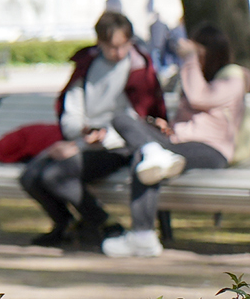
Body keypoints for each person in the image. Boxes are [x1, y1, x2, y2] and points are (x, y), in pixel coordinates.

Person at [18, 10, 182, 252]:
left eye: (123, 45)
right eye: (111, 46)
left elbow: (140, 120)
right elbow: (72, 108)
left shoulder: (139, 69)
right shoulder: (88, 65)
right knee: (30, 176)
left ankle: (105, 224)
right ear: (100, 43)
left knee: (53, 175)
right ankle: (66, 224)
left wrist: (104, 136)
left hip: (122, 146)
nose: (118, 52)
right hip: (85, 140)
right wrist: (80, 134)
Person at [101, 26, 244, 258]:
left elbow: (200, 98)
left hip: (211, 150)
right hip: (178, 144)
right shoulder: (197, 75)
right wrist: (167, 128)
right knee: (124, 121)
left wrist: (189, 59)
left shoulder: (233, 79)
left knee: (145, 158)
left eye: (197, 52)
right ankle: (152, 150)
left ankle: (142, 235)